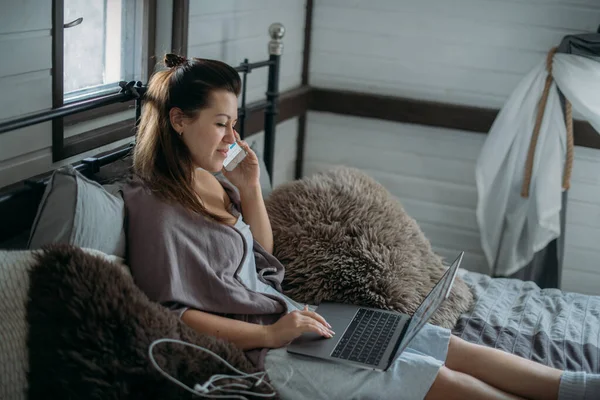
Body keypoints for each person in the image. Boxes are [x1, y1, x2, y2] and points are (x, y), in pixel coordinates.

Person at [123, 54, 598, 400]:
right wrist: (271, 336)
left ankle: (579, 387)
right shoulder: (157, 210)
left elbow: (258, 259)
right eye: (222, 124)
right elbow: (176, 313)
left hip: (287, 318)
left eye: (235, 123)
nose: (234, 137)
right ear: (178, 120)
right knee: (438, 380)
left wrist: (249, 191)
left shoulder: (210, 180)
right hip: (263, 353)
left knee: (438, 344)